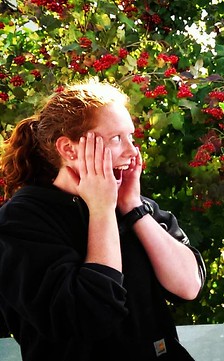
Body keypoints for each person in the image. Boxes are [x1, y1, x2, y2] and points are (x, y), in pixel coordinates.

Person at [0, 80, 206, 361]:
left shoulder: (131, 204)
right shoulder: (20, 221)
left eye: (131, 137)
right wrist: (101, 211)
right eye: (116, 139)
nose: (132, 152)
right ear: (69, 149)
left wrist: (133, 208)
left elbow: (188, 286)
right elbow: (90, 316)